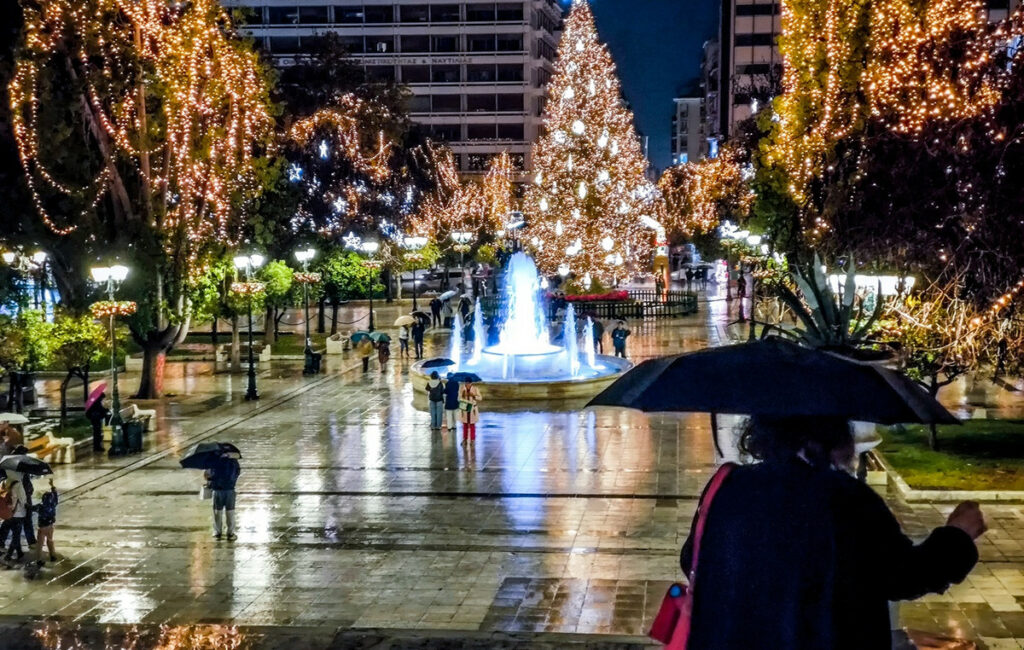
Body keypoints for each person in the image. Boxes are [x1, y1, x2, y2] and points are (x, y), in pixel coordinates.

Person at [680, 416, 984, 650]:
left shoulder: (728, 488)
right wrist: (957, 535)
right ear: (832, 434)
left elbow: (691, 560)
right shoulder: (847, 500)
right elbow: (903, 575)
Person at [205, 452, 241, 540]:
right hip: (230, 490)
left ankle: (217, 532)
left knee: (217, 512)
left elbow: (208, 476)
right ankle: (230, 533)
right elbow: (237, 472)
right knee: (230, 512)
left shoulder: (213, 462)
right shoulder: (233, 462)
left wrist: (208, 481)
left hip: (218, 491)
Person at [2, 472, 27, 564]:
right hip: (18, 514)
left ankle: (19, 553)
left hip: (9, 514)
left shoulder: (7, 482)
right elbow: (22, 499)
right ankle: (9, 555)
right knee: (16, 535)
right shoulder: (19, 485)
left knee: (13, 532)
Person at [33, 478, 58, 565]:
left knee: (40, 544)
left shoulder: (40, 507)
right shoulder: (53, 504)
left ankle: (39, 560)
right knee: (50, 540)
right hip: (50, 526)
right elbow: (55, 494)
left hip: (42, 527)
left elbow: (30, 508)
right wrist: (52, 486)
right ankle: (52, 555)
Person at [458, 378, 481, 445]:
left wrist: (473, 396)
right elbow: (459, 398)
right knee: (465, 424)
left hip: (472, 408)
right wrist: (462, 395)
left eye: (468, 383)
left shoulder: (475, 389)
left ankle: (472, 440)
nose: (467, 385)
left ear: (471, 383)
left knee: (472, 424)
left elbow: (480, 398)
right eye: (466, 383)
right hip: (465, 407)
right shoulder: (462, 388)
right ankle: (465, 439)